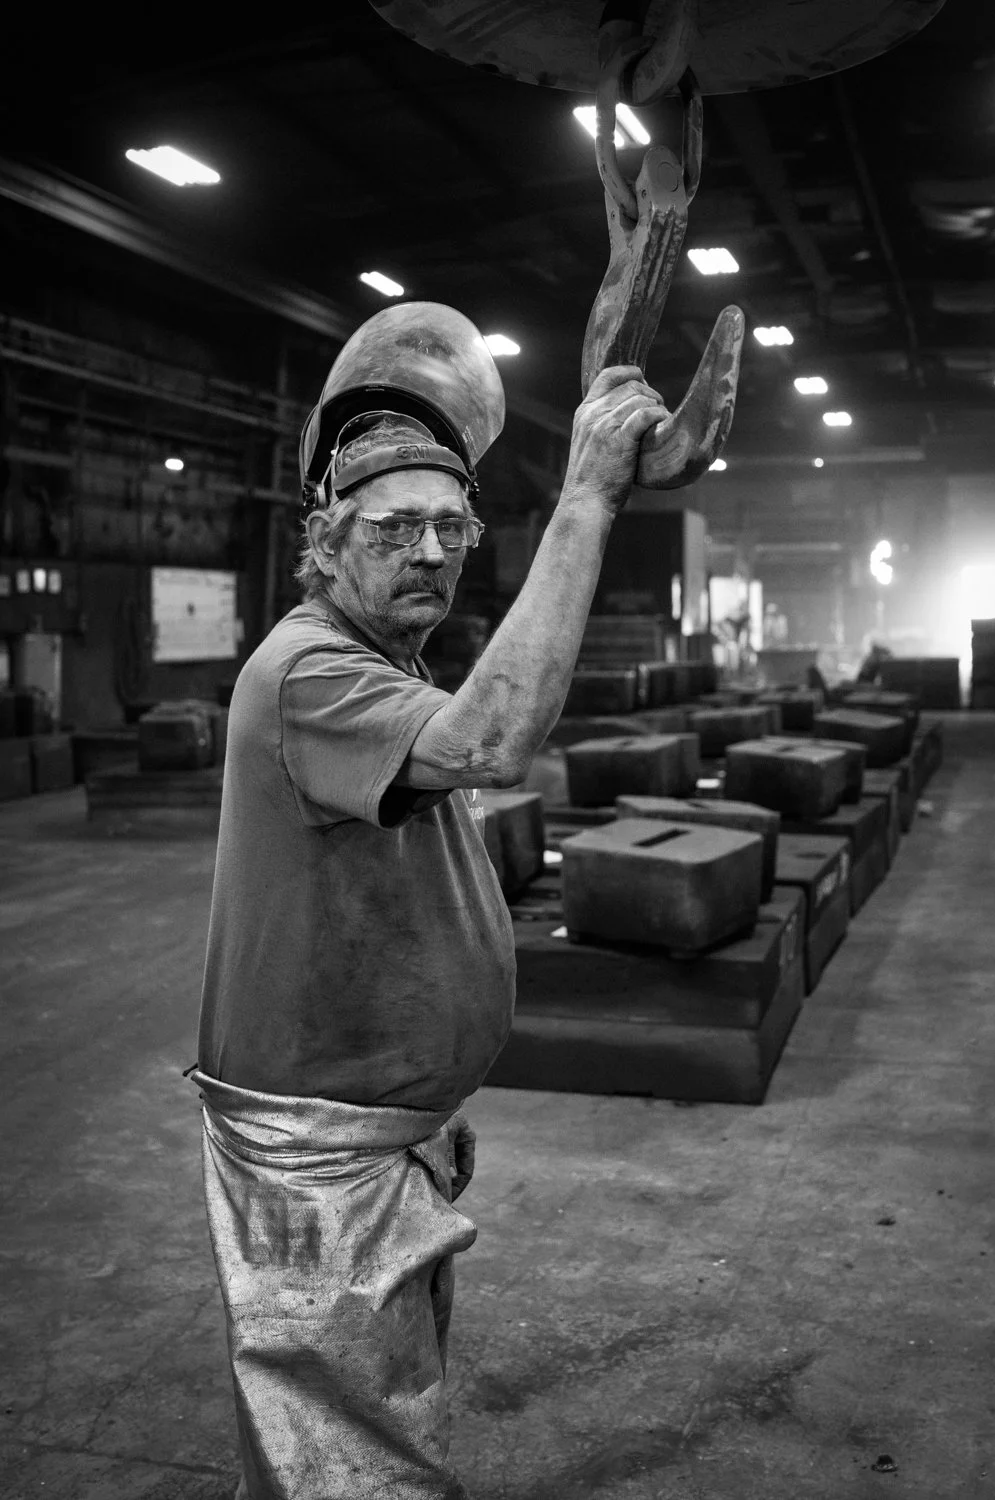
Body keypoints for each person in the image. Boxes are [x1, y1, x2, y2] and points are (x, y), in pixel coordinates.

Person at [189, 301, 668, 1500]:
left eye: (451, 528)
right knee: (348, 1463)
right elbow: (491, 738)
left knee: (359, 1429)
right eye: (394, 527)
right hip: (318, 1161)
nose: (429, 553)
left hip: (375, 1135)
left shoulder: (381, 665)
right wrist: (586, 497)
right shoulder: (307, 672)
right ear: (325, 538)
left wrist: (424, 1099)